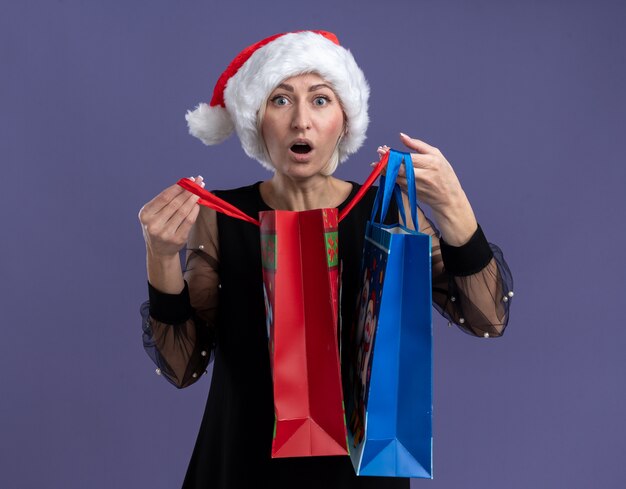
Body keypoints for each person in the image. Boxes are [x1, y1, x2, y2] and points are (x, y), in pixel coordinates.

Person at [138, 30, 513, 489]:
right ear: (255, 118)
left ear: (345, 118)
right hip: (242, 464)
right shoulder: (220, 219)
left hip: (360, 472)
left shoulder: (388, 214)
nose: (301, 121)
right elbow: (182, 366)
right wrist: (160, 257)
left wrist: (456, 210)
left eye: (320, 99)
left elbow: (487, 318)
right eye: (280, 99)